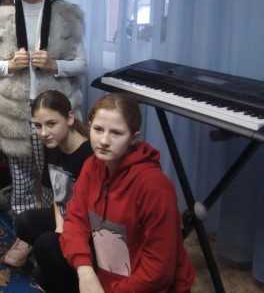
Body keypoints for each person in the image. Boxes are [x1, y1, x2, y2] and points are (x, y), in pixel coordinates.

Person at [60, 93, 195, 293]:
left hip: (146, 287)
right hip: (105, 277)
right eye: (98, 129)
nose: (104, 140)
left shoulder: (154, 186)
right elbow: (75, 221)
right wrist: (85, 271)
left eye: (116, 133)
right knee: (50, 247)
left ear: (133, 137)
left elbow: (158, 269)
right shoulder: (91, 166)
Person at [0, 0, 86, 215]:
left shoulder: (66, 16)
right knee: (21, 178)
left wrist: (55, 65)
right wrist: (10, 65)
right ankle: (24, 227)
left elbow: (82, 64)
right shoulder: (3, 17)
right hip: (15, 114)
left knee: (56, 177)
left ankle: (54, 226)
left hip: (54, 111)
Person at [3, 90, 92, 293]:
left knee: (45, 246)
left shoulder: (88, 155)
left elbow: (93, 216)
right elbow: (58, 197)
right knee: (24, 222)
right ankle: (57, 266)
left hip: (87, 228)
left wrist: (64, 237)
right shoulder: (52, 144)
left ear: (70, 118)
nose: (43, 133)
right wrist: (59, 229)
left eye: (51, 124)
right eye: (38, 125)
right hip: (68, 218)